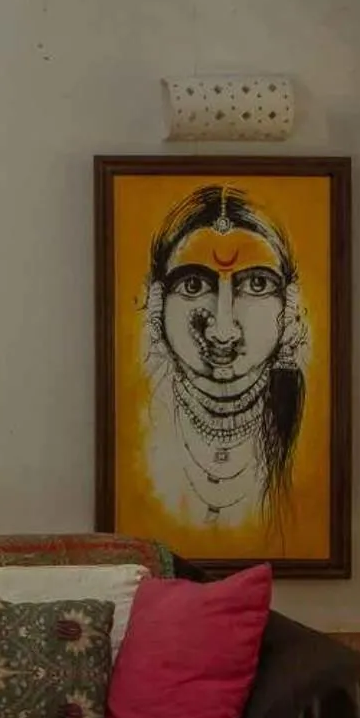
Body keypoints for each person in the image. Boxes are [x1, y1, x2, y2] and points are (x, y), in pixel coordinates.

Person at [141, 185, 305, 533]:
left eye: (258, 284)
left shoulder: (304, 438)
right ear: (157, 303)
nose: (223, 331)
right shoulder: (143, 428)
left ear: (289, 308)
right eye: (193, 286)